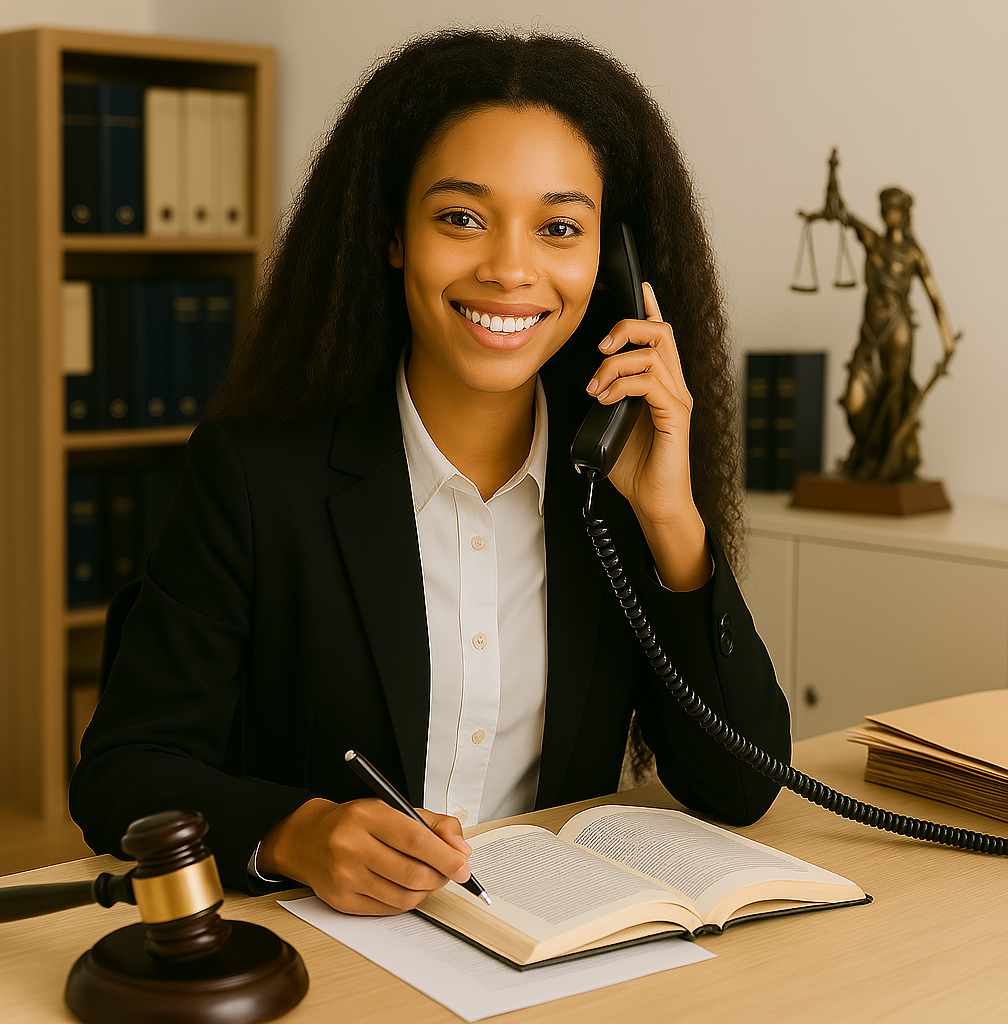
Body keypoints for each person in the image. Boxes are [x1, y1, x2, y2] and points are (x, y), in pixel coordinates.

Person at [70, 28, 791, 916]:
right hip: (332, 956)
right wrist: (293, 832)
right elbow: (121, 770)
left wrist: (672, 522)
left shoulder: (608, 491)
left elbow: (739, 788)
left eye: (560, 227)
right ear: (392, 235)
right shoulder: (258, 475)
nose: (510, 269)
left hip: (548, 958)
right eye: (460, 217)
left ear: (613, 263)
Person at [827, 186, 958, 481]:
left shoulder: (913, 253)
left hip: (898, 333)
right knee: (854, 400)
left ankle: (878, 460)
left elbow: (934, 296)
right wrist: (832, 188)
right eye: (884, 208)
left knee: (892, 396)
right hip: (870, 336)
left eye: (894, 208)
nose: (888, 214)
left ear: (904, 213)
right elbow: (845, 216)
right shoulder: (873, 241)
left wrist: (947, 341)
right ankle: (865, 450)